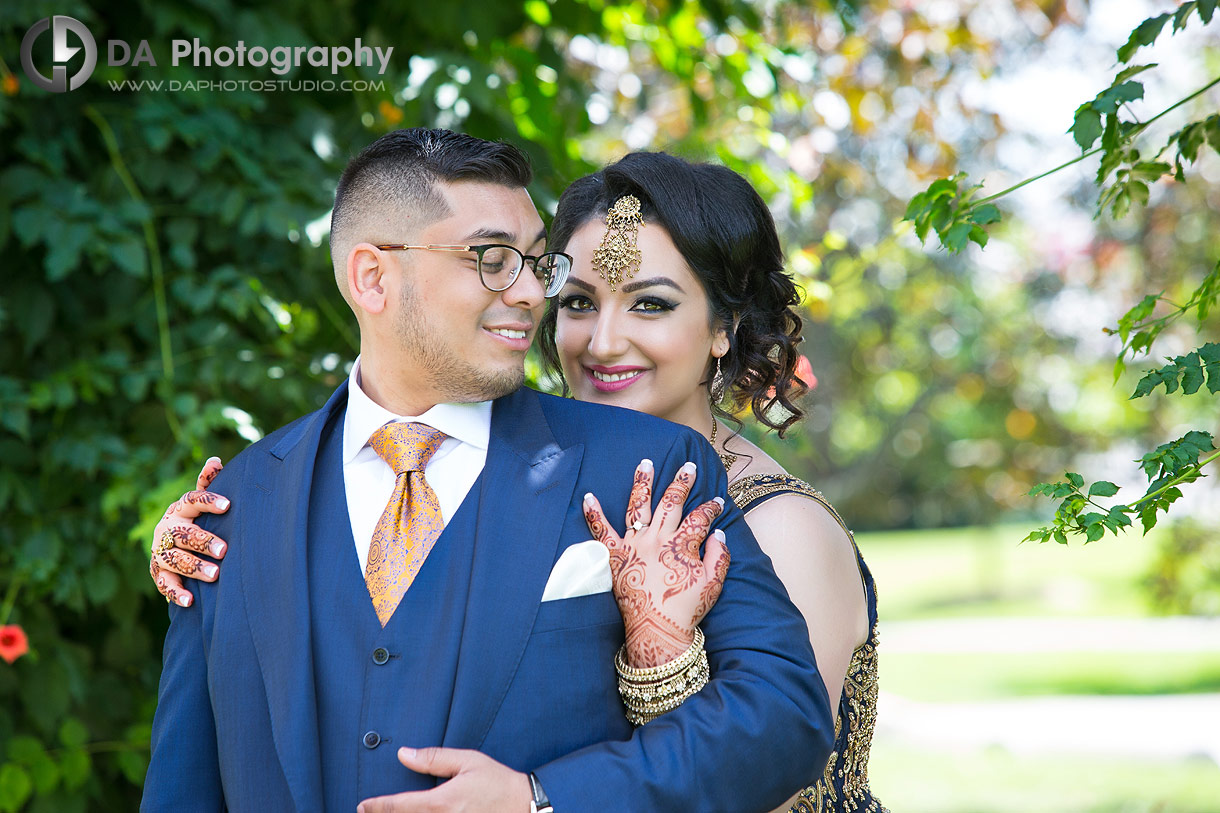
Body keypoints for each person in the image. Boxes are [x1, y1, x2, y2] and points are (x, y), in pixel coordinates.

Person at [151, 149, 885, 811]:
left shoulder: (697, 481)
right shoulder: (235, 508)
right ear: (371, 276)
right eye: (574, 298)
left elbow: (781, 725)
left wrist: (544, 799)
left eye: (535, 265)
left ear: (723, 328)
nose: (596, 337)